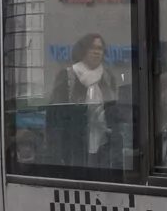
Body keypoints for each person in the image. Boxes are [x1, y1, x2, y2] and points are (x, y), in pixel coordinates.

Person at [49, 33, 125, 168]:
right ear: (82, 51)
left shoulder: (108, 77)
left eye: (100, 48)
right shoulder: (67, 76)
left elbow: (114, 111)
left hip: (104, 144)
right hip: (74, 145)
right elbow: (54, 116)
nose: (97, 52)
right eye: (92, 48)